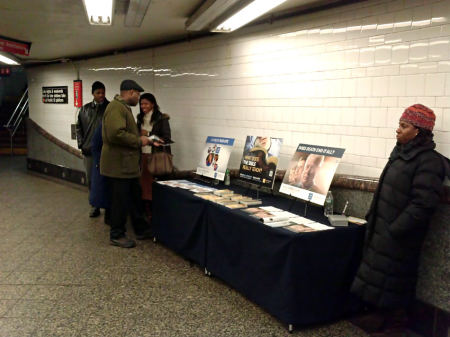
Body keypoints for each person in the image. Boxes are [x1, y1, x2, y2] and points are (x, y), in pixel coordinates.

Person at [350, 104, 448, 337]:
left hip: (401, 236)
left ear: (418, 130)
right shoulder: (402, 153)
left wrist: (396, 229)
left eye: (404, 126)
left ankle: (396, 325)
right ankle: (379, 317)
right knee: (380, 277)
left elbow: (423, 203)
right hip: (384, 228)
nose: (397, 130)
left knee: (396, 280)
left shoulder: (429, 162)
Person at [100, 79, 155, 248]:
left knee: (134, 198)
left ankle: (141, 229)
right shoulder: (116, 107)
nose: (138, 99)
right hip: (119, 167)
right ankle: (116, 234)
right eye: (138, 95)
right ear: (131, 92)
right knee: (120, 201)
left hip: (127, 167)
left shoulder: (123, 108)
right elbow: (116, 134)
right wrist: (139, 140)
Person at [76, 81, 109, 218]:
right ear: (92, 94)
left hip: (105, 151)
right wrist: (81, 144)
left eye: (103, 92)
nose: (101, 95)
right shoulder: (84, 109)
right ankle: (94, 205)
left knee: (106, 179)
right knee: (91, 179)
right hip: (89, 151)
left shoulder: (109, 108)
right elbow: (79, 128)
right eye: (98, 93)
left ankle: (108, 205)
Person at [136, 93, 171, 220]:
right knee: (143, 185)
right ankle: (146, 212)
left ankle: (156, 212)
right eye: (141, 104)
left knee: (153, 185)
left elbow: (166, 139)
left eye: (146, 103)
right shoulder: (139, 118)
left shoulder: (162, 119)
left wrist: (149, 134)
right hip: (142, 155)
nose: (143, 106)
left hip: (155, 157)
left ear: (153, 104)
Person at [89, 121, 110, 225]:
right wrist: (98, 161)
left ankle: (108, 215)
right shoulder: (104, 125)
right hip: (102, 162)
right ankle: (96, 207)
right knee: (101, 189)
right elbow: (95, 144)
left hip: (110, 163)